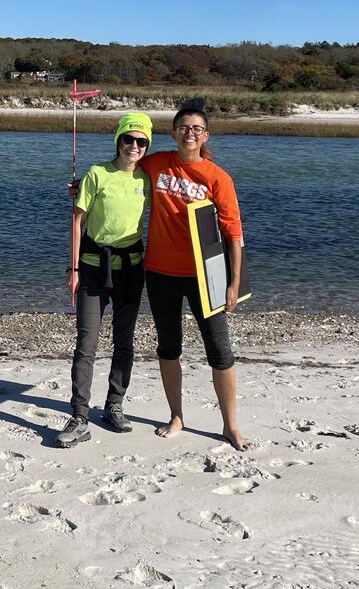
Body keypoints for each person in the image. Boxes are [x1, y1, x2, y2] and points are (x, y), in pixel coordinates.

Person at [138, 102, 248, 450]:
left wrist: (233, 283)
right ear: (173, 133)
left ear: (205, 136)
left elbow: (233, 233)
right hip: (160, 272)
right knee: (169, 348)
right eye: (184, 127)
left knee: (220, 351)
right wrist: (81, 187)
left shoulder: (218, 178)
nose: (190, 133)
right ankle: (176, 416)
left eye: (197, 129)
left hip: (206, 276)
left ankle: (230, 425)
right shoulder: (155, 164)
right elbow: (119, 173)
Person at [55, 112, 153, 448]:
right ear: (118, 141)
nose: (134, 147)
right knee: (86, 345)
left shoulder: (147, 178)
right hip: (94, 268)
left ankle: (114, 405)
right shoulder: (97, 174)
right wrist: (73, 270)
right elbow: (76, 222)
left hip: (130, 269)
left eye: (141, 142)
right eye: (129, 139)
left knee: (125, 343)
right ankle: (79, 416)